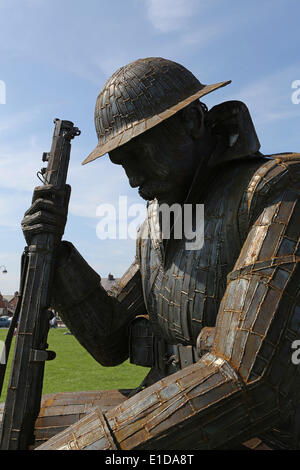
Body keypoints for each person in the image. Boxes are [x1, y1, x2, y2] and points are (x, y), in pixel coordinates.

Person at [21, 57, 300, 450]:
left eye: (139, 153)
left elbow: (247, 380)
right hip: (167, 397)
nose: (133, 178)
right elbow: (110, 342)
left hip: (261, 432)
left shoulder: (274, 192)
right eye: (122, 163)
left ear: (191, 122)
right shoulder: (161, 222)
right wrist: (56, 257)